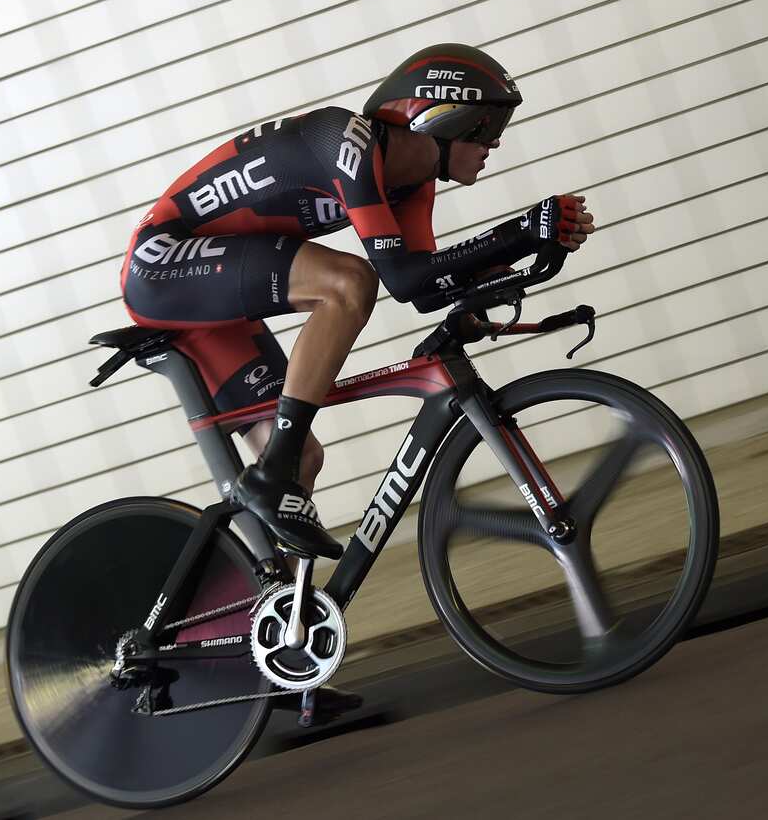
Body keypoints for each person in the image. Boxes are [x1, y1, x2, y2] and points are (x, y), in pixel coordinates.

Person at [119, 44, 593, 720]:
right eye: (488, 128)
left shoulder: (412, 185)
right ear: (444, 118)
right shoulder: (349, 144)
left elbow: (425, 287)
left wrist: (530, 249)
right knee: (347, 282)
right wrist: (518, 229)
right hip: (164, 262)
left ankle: (284, 663)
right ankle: (271, 475)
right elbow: (395, 278)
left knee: (302, 457)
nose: (494, 145)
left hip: (216, 285)